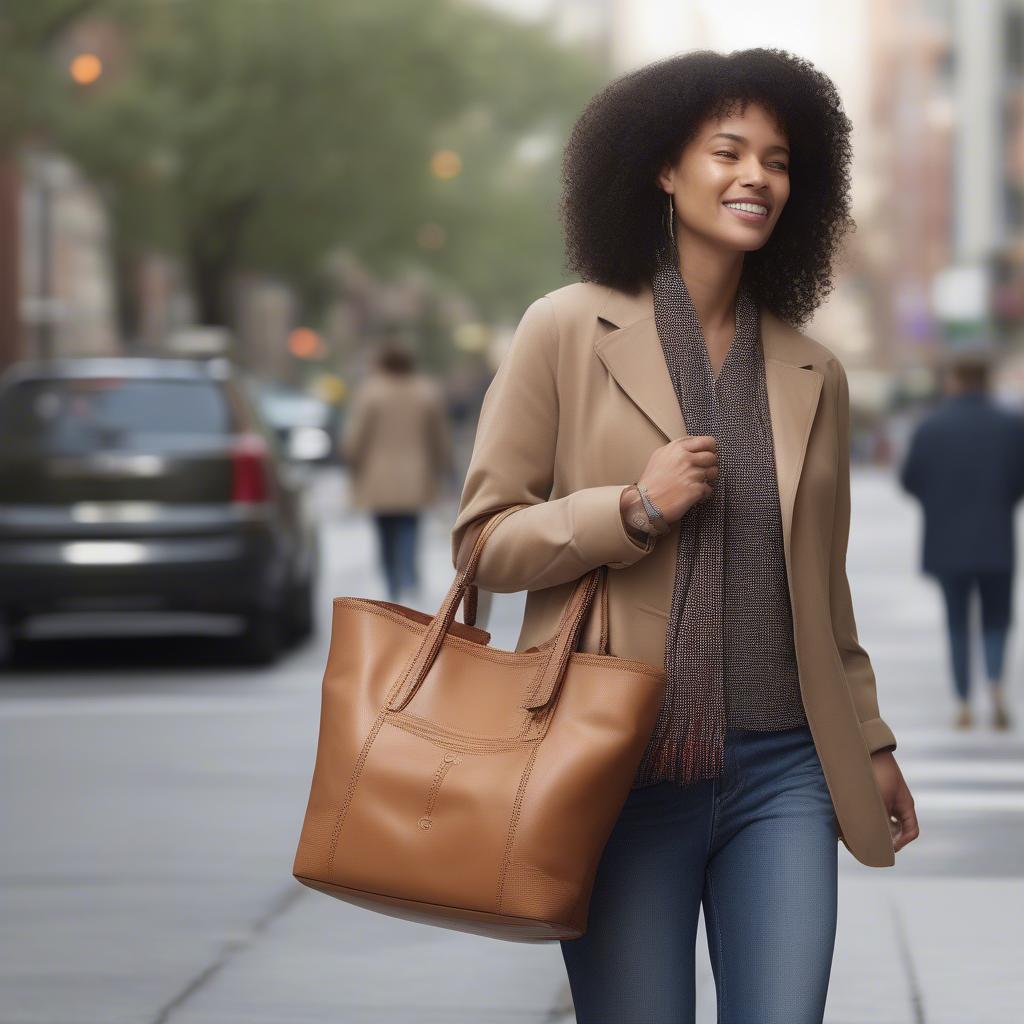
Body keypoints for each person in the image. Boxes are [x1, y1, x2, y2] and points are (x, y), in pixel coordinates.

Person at [450, 49, 919, 1024]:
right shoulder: (564, 330)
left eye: (779, 160)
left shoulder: (810, 371)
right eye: (729, 151)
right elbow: (482, 542)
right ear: (663, 168)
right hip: (619, 768)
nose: (757, 176)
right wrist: (629, 508)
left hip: (783, 769)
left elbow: (822, 593)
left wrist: (868, 742)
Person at [899, 355, 1024, 731]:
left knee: (956, 620)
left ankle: (963, 700)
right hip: (996, 536)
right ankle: (996, 685)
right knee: (997, 617)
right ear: (986, 381)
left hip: (946, 539)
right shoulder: (1011, 426)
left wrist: (938, 502)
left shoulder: (931, 426)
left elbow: (910, 479)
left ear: (954, 380)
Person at [341, 341, 453, 604]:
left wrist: (350, 460)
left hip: (377, 476)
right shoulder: (426, 392)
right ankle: (407, 575)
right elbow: (439, 436)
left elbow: (355, 438)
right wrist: (446, 467)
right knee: (409, 526)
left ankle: (393, 582)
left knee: (384, 531)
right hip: (416, 473)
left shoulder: (371, 392)